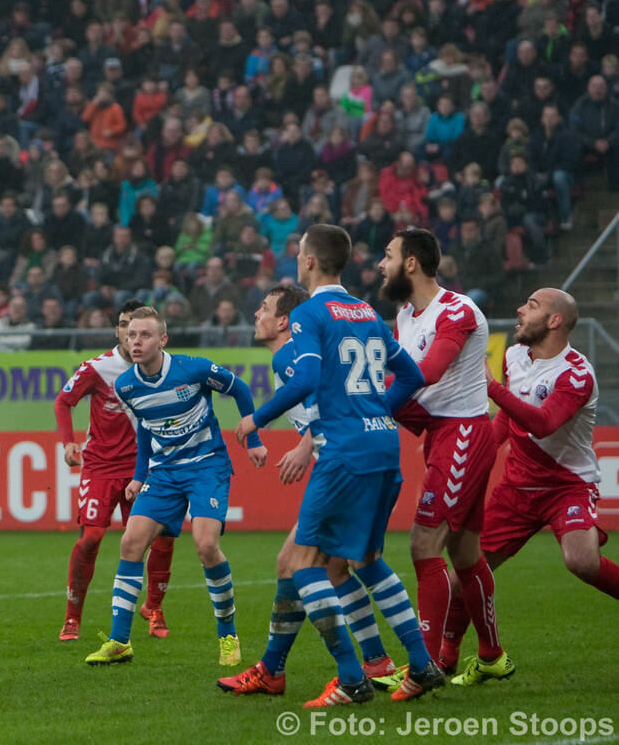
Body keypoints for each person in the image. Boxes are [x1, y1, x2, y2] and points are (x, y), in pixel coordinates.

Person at [233, 224, 442, 706]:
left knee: (304, 564)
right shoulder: (367, 310)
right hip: (382, 446)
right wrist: (375, 412)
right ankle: (420, 663)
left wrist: (255, 418)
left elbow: (306, 376)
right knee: (364, 559)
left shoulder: (308, 313)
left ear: (308, 261)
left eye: (299, 251)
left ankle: (351, 677)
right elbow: (410, 374)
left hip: (344, 452)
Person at [217, 284, 401, 698]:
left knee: (295, 563)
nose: (256, 315)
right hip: (366, 456)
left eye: (263, 308)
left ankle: (300, 671)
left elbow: (319, 392)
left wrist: (304, 442)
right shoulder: (301, 353)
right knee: (336, 567)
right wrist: (307, 441)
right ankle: (377, 662)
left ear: (283, 320)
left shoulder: (288, 358)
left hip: (344, 466)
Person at [443, 289, 619, 678]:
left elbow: (542, 423)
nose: (520, 309)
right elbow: (508, 419)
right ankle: (449, 658)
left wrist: (490, 387)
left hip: (567, 486)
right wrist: (480, 450)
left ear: (555, 321)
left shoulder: (576, 373)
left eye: (532, 306)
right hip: (517, 488)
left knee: (582, 561)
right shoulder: (514, 355)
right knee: (462, 575)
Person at [84, 306, 268, 668]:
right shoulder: (126, 386)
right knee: (131, 542)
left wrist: (254, 437)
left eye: (145, 335)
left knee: (206, 546)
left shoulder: (194, 369)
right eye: (131, 334)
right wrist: (140, 475)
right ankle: (120, 641)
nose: (136, 341)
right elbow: (145, 429)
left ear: (162, 340)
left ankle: (228, 634)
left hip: (206, 467)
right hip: (164, 473)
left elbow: (241, 388)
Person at [377, 229, 512, 683]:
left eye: (388, 255)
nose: (381, 264)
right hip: (443, 437)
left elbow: (426, 372)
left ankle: (424, 665)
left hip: (463, 438)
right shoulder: (405, 315)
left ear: (411, 263)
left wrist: (367, 404)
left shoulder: (457, 311)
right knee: (466, 553)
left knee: (423, 545)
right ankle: (491, 655)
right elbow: (405, 392)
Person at [55, 300, 175, 642]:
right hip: (102, 467)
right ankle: (72, 617)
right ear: (117, 330)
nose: (130, 333)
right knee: (91, 538)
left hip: (147, 467)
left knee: (162, 536)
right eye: (124, 325)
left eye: (137, 328)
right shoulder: (98, 368)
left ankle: (154, 607)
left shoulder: (162, 369)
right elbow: (63, 401)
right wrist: (68, 442)